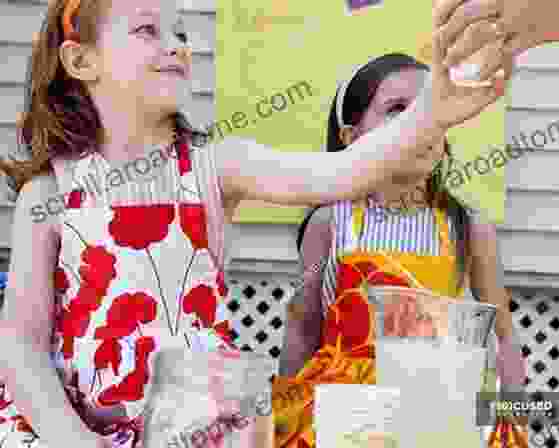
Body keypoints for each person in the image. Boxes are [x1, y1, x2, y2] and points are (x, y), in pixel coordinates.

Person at [0, 0, 510, 447]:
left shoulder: (216, 169)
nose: (176, 45)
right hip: (73, 428)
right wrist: (77, 442)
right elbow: (21, 344)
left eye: (180, 32)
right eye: (147, 30)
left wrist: (433, 111)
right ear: (80, 59)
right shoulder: (48, 197)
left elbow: (342, 170)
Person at [273, 53, 526, 448]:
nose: (419, 123)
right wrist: (282, 419)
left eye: (430, 109)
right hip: (344, 417)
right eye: (396, 110)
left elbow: (504, 336)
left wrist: (512, 421)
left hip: (436, 415)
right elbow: (303, 328)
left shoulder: (468, 227)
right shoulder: (330, 224)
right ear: (350, 137)